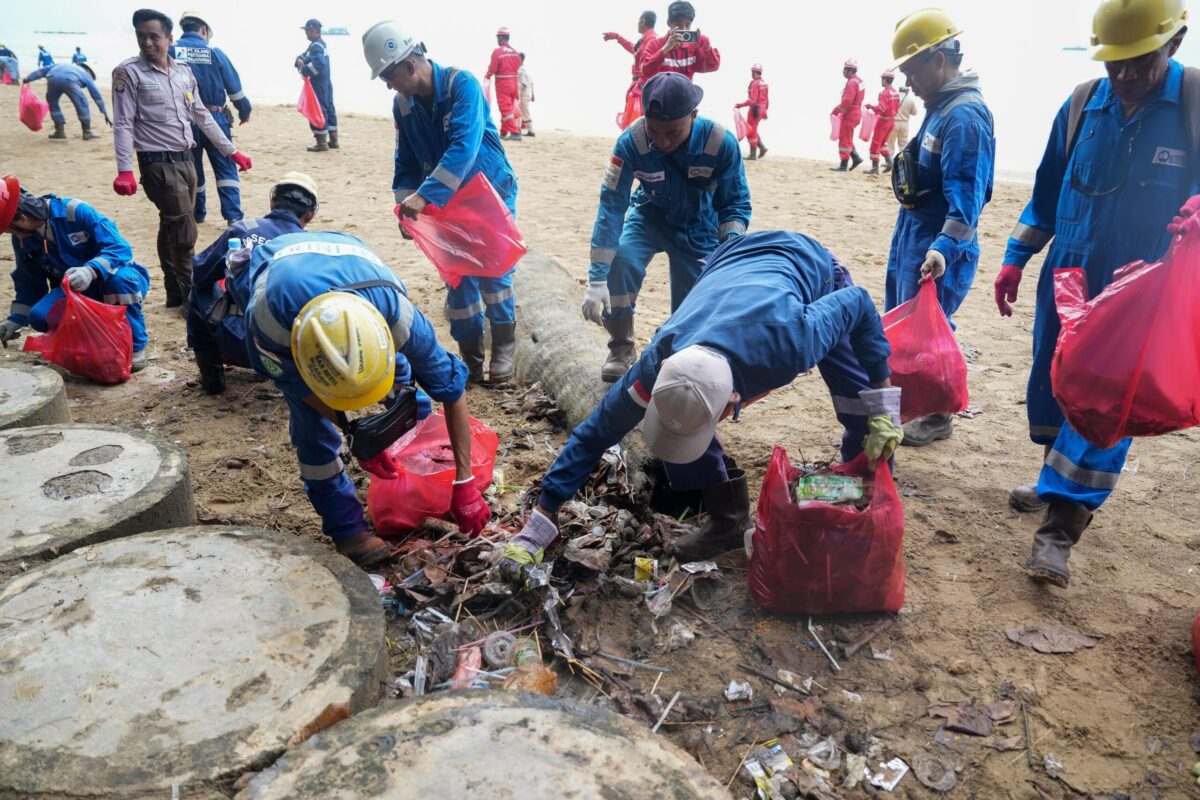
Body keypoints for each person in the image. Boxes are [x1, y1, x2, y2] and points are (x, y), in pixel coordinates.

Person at [501, 231, 903, 574]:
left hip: (811, 271)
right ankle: (727, 519)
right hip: (731, 264)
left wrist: (883, 403)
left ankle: (865, 500)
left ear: (733, 402)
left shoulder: (793, 342)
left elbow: (859, 303)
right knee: (684, 418)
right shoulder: (660, 360)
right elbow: (594, 435)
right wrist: (543, 516)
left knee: (860, 411)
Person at [994, 0, 1198, 588]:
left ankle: (1061, 526)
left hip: (1138, 288)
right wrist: (1016, 257)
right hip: (1069, 273)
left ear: (1174, 44)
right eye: (1116, 63)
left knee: (1107, 402)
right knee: (1053, 385)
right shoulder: (1084, 102)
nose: (1127, 76)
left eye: (1141, 61)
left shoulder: (1194, 105)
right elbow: (1048, 188)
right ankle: (1052, 480)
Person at [240, 231, 491, 566]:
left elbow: (451, 388)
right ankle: (347, 530)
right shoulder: (269, 326)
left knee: (407, 394)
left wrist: (465, 479)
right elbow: (302, 391)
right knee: (313, 435)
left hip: (361, 278)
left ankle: (408, 438)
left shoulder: (398, 315)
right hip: (285, 286)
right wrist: (354, 435)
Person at [365, 21, 521, 385]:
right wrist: (405, 203)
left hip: (488, 193)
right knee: (458, 280)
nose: (389, 84)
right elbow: (404, 162)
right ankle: (471, 355)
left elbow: (463, 148)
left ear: (410, 65)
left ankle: (503, 349)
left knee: (495, 272)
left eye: (389, 75)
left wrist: (424, 197)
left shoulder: (462, 85)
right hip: (444, 204)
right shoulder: (402, 105)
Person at [583, 72, 750, 383]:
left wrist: (727, 250)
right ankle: (621, 348)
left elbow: (735, 205)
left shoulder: (720, 142)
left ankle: (678, 358)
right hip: (649, 215)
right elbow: (611, 206)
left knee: (695, 301)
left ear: (694, 116)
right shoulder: (630, 142)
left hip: (700, 228)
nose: (662, 141)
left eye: (673, 132)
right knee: (622, 261)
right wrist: (597, 278)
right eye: (654, 131)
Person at [885, 8, 994, 446]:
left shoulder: (964, 117)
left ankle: (936, 416)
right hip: (913, 233)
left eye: (912, 71)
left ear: (939, 60)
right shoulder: (939, 107)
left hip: (937, 243)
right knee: (907, 326)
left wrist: (943, 248)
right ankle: (915, 405)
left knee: (930, 329)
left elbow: (967, 199)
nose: (909, 82)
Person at [110, 8, 253, 309]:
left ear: (169, 38)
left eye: (154, 36)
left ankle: (174, 291)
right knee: (185, 229)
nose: (147, 43)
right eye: (141, 36)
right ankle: (191, 297)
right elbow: (123, 123)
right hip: (157, 164)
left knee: (171, 224)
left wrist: (231, 150)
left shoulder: (183, 72)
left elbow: (201, 114)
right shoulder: (128, 73)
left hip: (187, 161)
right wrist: (124, 169)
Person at [0, 174, 151, 371]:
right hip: (75, 290)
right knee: (39, 317)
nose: (13, 234)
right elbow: (29, 281)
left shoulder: (74, 211)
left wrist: (91, 269)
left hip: (117, 277)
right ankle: (96, 338)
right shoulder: (24, 240)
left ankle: (136, 345)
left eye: (10, 229)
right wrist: (16, 319)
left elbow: (120, 247)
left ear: (22, 218)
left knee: (119, 282)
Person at [188, 172, 318, 394]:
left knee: (198, 292)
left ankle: (212, 378)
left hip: (242, 342)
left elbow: (200, 273)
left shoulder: (243, 230)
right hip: (295, 350)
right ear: (310, 214)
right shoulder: (314, 246)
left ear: (272, 202)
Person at [171, 11, 253, 225]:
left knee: (193, 168)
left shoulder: (171, 51)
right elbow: (235, 89)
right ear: (204, 30)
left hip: (183, 121)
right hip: (216, 117)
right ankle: (233, 216)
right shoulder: (214, 52)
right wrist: (244, 111)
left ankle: (198, 213)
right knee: (226, 167)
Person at [22, 62, 109, 141]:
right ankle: (87, 132)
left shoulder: (61, 64)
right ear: (89, 71)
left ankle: (59, 131)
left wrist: (29, 78)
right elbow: (96, 94)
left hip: (52, 77)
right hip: (70, 80)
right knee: (82, 103)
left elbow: (42, 71)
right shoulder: (86, 74)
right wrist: (104, 111)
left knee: (52, 102)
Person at [602, 10, 657, 129]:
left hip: (641, 88)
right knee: (634, 125)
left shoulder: (651, 39)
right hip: (639, 85)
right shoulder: (646, 38)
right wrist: (617, 37)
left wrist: (641, 85)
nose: (637, 24)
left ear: (642, 21)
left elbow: (650, 65)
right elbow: (634, 49)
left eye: (638, 21)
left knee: (635, 126)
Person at [640, 1, 720, 81]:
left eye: (688, 25)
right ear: (669, 23)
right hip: (662, 93)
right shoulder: (655, 45)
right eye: (678, 25)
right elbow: (645, 71)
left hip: (684, 93)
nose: (684, 29)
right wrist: (665, 49)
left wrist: (707, 48)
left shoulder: (694, 47)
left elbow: (713, 66)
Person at [295, 19, 337, 151]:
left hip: (318, 83)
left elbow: (319, 65)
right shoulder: (319, 44)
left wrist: (304, 69)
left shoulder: (316, 46)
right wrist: (299, 60)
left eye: (306, 31)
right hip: (326, 82)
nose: (305, 33)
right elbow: (306, 56)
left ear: (313, 31)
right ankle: (333, 140)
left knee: (318, 109)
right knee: (328, 108)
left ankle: (321, 142)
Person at [484, 27, 523, 140]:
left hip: (503, 84)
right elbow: (519, 64)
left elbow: (492, 68)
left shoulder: (498, 52)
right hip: (514, 83)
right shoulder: (515, 52)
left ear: (501, 38)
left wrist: (487, 76)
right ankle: (504, 132)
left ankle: (515, 132)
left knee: (505, 109)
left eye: (497, 37)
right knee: (509, 109)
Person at [831, 59, 865, 171]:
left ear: (850, 70)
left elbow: (847, 102)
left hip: (850, 114)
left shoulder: (851, 83)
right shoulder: (860, 81)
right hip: (857, 112)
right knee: (848, 137)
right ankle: (856, 158)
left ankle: (843, 165)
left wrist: (836, 110)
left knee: (844, 138)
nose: (843, 72)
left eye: (845, 69)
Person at [865, 71, 900, 174]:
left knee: (875, 143)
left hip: (883, 121)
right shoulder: (895, 92)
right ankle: (890, 163)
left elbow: (881, 109)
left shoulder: (885, 93)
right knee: (882, 143)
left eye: (882, 79)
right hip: (892, 121)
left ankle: (875, 168)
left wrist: (871, 107)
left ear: (885, 80)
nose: (881, 81)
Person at [735, 63, 769, 160]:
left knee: (750, 131)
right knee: (752, 129)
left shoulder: (755, 83)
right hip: (761, 109)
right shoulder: (764, 83)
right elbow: (767, 99)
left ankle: (753, 154)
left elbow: (752, 100)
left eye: (752, 72)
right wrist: (765, 110)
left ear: (754, 72)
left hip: (755, 110)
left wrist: (740, 105)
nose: (751, 73)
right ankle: (762, 148)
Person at [887, 85, 919, 154]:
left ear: (899, 90)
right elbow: (914, 113)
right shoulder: (910, 100)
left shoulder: (894, 98)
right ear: (907, 91)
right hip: (905, 123)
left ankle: (889, 162)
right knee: (903, 144)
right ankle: (903, 161)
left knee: (890, 143)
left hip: (894, 123)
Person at [517, 53, 534, 137]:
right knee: (522, 112)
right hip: (525, 94)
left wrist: (515, 88)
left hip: (523, 95)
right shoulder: (524, 70)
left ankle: (531, 130)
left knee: (524, 112)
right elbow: (531, 83)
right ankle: (518, 129)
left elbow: (524, 84)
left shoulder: (521, 71)